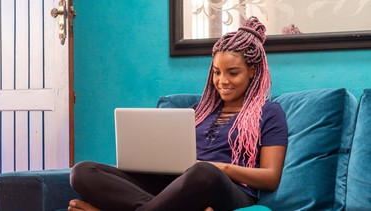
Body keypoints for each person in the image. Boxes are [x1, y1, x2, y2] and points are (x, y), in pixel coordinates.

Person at [68, 16, 288, 211]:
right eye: (217, 72)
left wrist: (219, 168)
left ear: (252, 71)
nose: (223, 81)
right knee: (83, 171)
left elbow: (270, 177)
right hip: (176, 186)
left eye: (233, 73)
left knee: (203, 172)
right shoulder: (197, 111)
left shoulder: (269, 112)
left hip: (227, 189)